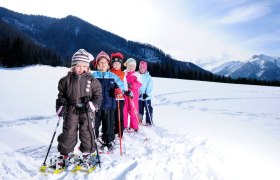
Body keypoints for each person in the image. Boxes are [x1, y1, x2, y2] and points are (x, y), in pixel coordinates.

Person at [55, 49, 102, 169]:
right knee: (69, 131)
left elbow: (98, 96)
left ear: (88, 67)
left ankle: (87, 154)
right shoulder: (66, 80)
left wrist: (93, 104)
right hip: (71, 109)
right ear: (73, 66)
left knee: (87, 131)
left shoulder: (93, 81)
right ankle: (65, 155)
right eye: (78, 66)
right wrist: (61, 104)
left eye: (85, 66)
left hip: (86, 110)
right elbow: (61, 96)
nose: (82, 68)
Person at [92, 51, 125, 151]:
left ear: (108, 64)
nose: (103, 64)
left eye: (105, 62)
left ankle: (108, 141)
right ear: (97, 64)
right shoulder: (93, 76)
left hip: (109, 105)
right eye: (100, 62)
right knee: (94, 125)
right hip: (96, 106)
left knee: (109, 125)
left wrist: (119, 90)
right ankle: (92, 140)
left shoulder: (113, 76)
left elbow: (121, 86)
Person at [110, 52, 127, 138]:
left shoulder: (123, 74)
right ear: (112, 64)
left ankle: (120, 131)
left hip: (120, 98)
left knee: (119, 115)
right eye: (114, 63)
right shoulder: (109, 72)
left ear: (121, 64)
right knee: (111, 115)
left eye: (118, 64)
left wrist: (124, 91)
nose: (116, 65)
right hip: (111, 98)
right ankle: (112, 130)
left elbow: (125, 86)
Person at [123, 58, 142, 132]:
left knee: (133, 111)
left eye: (133, 66)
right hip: (125, 94)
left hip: (133, 95)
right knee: (124, 110)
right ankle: (124, 125)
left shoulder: (136, 74)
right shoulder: (124, 73)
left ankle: (134, 126)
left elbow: (139, 84)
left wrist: (131, 85)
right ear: (126, 65)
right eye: (130, 66)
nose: (131, 68)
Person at [138, 61, 153, 126]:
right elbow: (136, 85)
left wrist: (146, 94)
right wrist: (138, 93)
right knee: (139, 110)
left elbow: (149, 86)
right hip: (139, 97)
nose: (142, 69)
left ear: (145, 69)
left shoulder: (148, 77)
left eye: (143, 68)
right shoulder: (137, 75)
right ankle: (139, 120)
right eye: (140, 68)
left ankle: (149, 121)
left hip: (147, 97)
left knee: (148, 108)